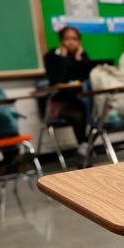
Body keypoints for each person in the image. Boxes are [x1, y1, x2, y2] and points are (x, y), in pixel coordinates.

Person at [42, 26, 90, 156]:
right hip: (58, 103)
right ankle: (84, 144)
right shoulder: (52, 56)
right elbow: (57, 80)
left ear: (79, 41)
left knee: (86, 108)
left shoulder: (81, 55)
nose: (71, 42)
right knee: (78, 114)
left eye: (74, 39)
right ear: (61, 40)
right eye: (67, 38)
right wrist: (63, 59)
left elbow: (87, 78)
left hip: (78, 100)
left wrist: (80, 60)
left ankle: (84, 145)